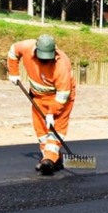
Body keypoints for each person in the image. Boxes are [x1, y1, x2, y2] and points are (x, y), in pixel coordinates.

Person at [6, 34, 77, 175]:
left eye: (48, 58)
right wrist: (13, 72)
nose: (45, 61)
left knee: (56, 129)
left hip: (61, 98)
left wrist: (51, 113)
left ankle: (48, 161)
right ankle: (53, 158)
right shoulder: (27, 47)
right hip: (38, 96)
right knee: (41, 131)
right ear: (36, 51)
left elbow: (63, 94)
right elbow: (13, 50)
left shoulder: (62, 64)